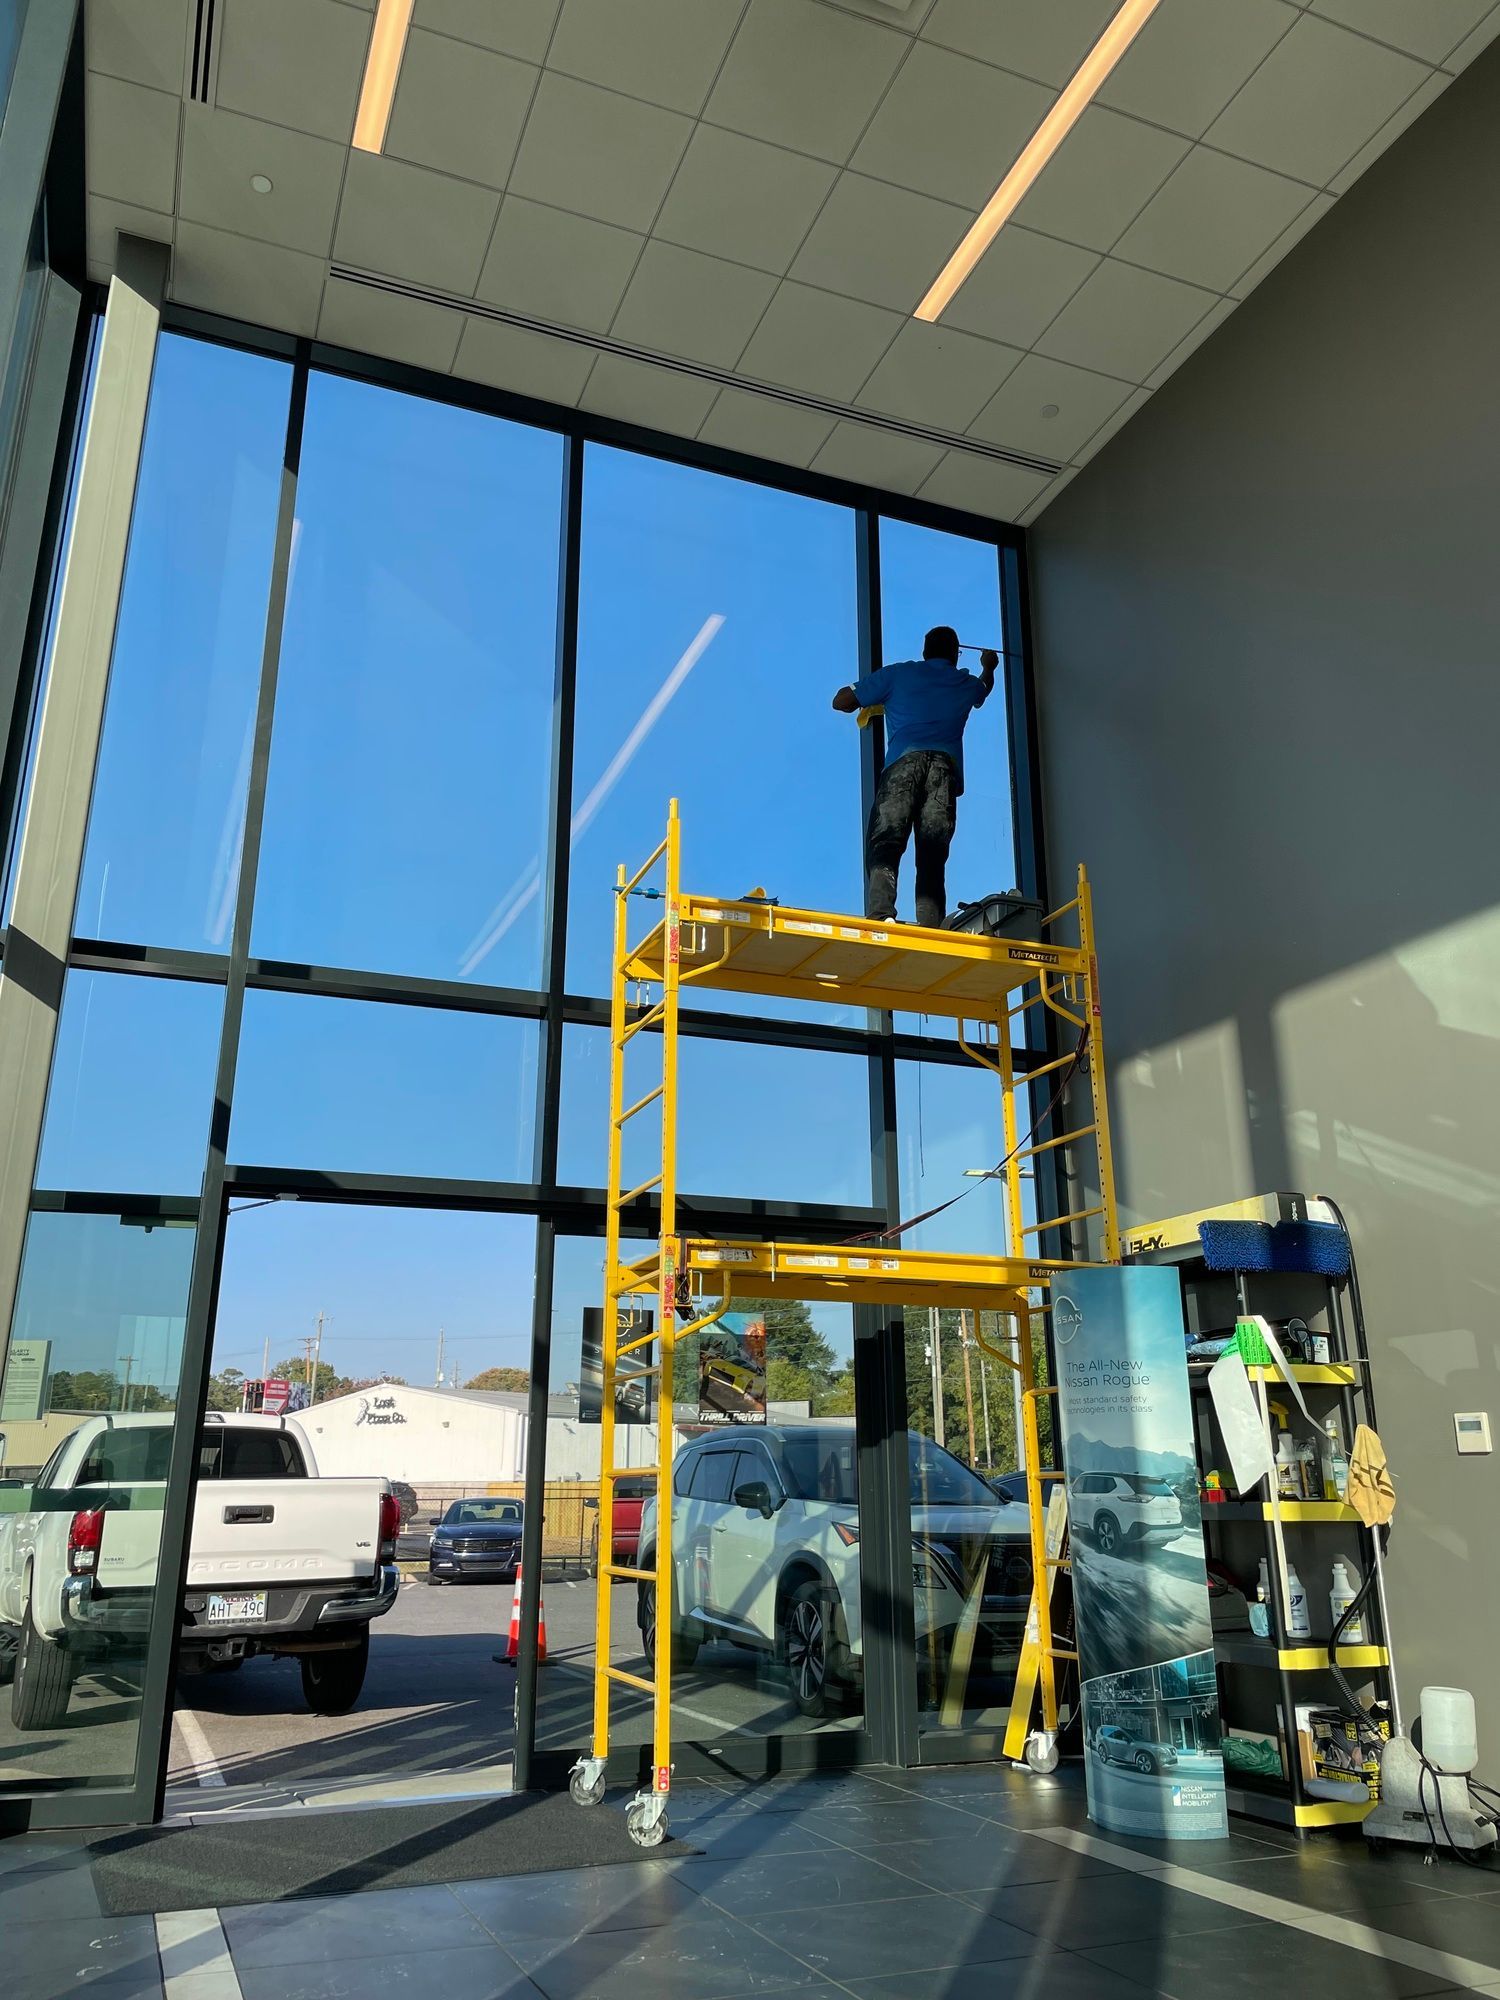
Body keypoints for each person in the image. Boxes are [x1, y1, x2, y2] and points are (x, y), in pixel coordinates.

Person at [832, 626, 998, 928]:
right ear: (954, 654)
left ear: (924, 652)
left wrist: (868, 695)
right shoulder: (963, 682)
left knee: (886, 840)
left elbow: (841, 701)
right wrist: (988, 666)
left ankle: (882, 916)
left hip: (902, 765)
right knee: (932, 853)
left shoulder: (898, 675)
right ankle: (930, 926)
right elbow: (983, 690)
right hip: (943, 772)